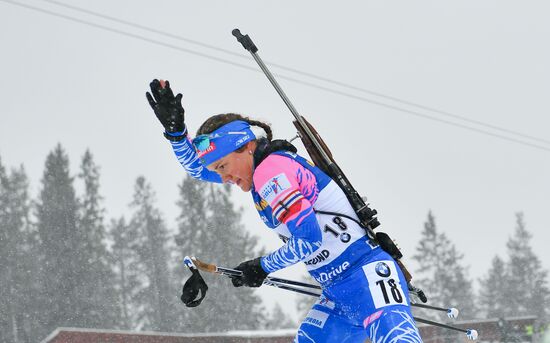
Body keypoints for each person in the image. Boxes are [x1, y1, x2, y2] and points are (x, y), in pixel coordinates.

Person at [146, 79, 423, 343]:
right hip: (338, 291)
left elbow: (309, 239)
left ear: (245, 147)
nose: (225, 179)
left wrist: (261, 267)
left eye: (223, 167)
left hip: (367, 275)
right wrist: (176, 135)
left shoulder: (271, 172)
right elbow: (197, 168)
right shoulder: (260, 173)